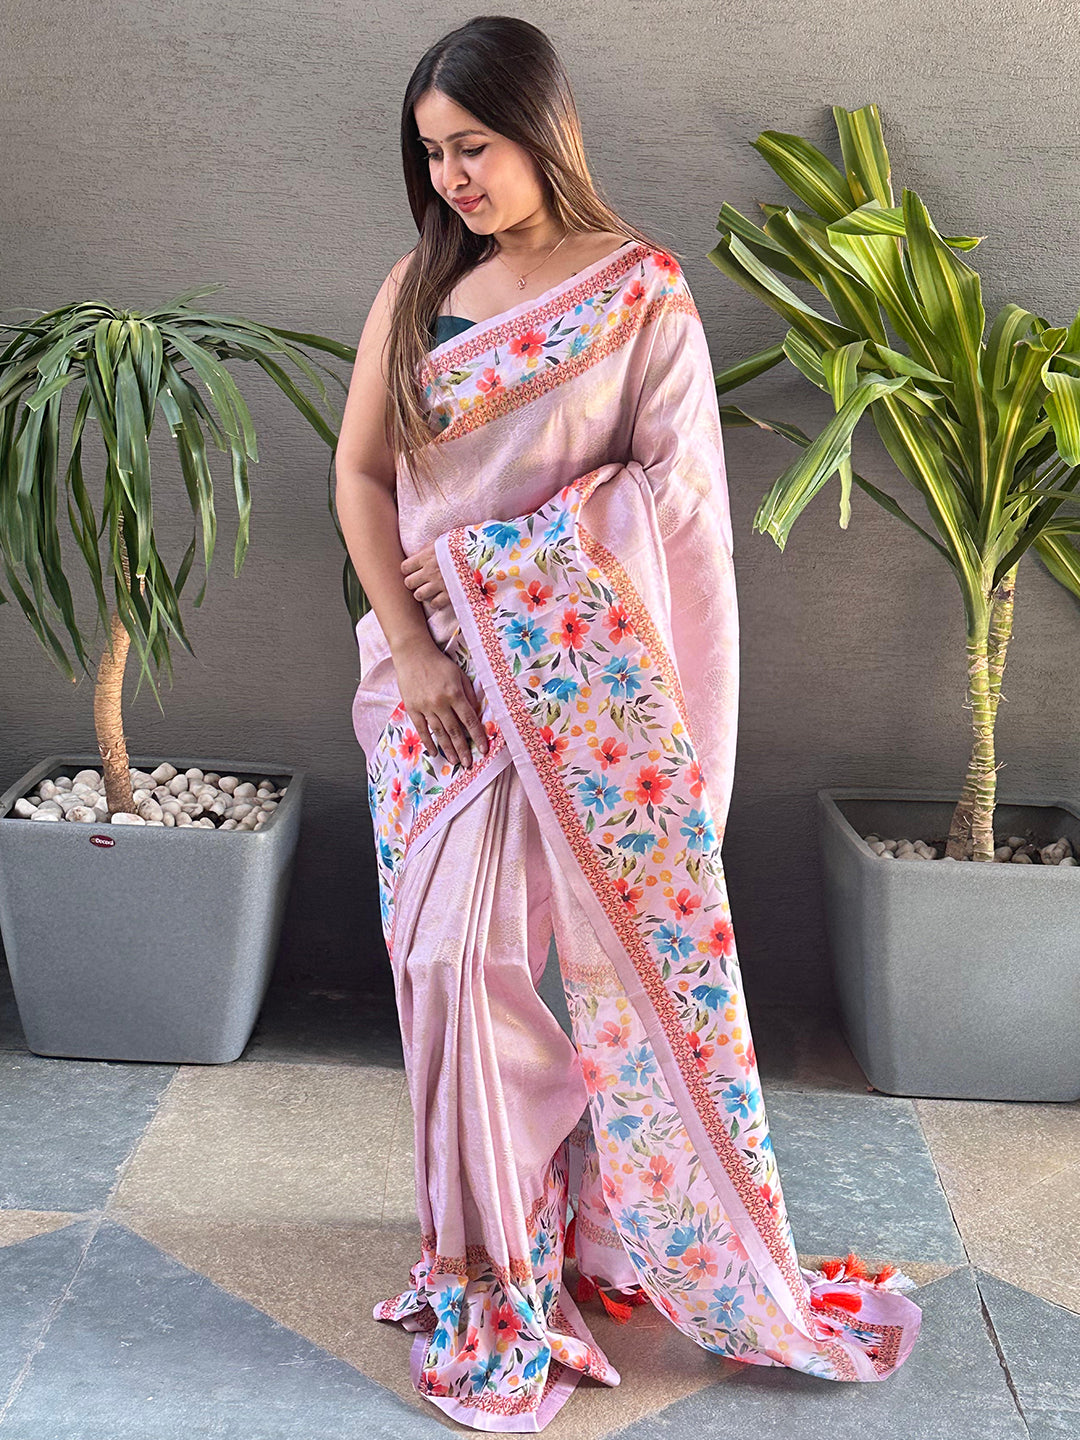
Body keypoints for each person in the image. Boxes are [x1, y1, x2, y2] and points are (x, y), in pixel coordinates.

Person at [334, 15, 923, 1432]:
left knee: (560, 965)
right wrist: (418, 642)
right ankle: (486, 1257)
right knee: (447, 961)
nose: (455, 176)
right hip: (433, 696)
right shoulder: (420, 289)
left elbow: (677, 515)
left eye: (474, 145)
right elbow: (361, 476)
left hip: (580, 701)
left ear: (544, 127)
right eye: (433, 153)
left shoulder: (637, 292)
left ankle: (577, 1232)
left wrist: (497, 567)